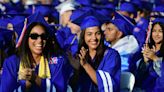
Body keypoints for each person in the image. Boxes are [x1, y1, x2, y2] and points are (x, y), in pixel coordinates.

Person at [1, 13, 72, 92]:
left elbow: (60, 90)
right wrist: (26, 85)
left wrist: (35, 78)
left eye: (43, 36)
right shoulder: (12, 63)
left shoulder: (57, 62)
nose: (40, 40)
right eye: (34, 36)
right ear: (26, 38)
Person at [73, 16, 121, 92]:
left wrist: (86, 65)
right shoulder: (78, 54)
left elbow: (107, 86)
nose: (94, 38)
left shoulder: (111, 55)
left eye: (97, 33)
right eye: (89, 34)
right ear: (83, 36)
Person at [133, 18, 164, 92]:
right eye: (154, 31)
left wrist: (155, 59)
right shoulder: (146, 49)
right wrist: (145, 62)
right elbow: (138, 78)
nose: (156, 34)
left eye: (160, 31)